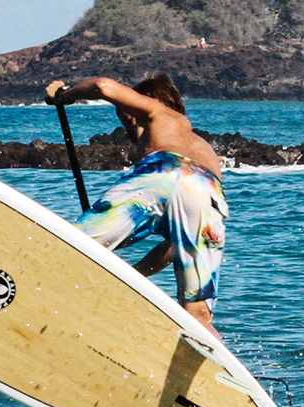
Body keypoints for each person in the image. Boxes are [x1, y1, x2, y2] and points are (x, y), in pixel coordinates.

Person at [45, 73, 228, 337]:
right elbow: (174, 246)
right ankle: (214, 370)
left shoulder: (155, 110)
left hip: (162, 171)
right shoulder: (204, 150)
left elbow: (102, 86)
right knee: (198, 313)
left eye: (127, 118)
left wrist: (62, 95)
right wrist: (132, 276)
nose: (128, 132)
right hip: (207, 191)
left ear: (146, 100)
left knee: (70, 245)